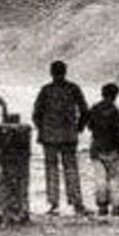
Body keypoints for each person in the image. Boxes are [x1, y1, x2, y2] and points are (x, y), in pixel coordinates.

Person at [31, 60, 90, 215]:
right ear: (65, 71)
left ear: (51, 73)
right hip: (69, 136)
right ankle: (77, 203)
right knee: (71, 169)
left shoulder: (46, 90)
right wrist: (78, 128)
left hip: (49, 137)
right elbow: (84, 111)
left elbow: (36, 113)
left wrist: (42, 129)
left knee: (51, 170)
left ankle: (53, 204)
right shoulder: (73, 88)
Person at [84, 83, 119, 216]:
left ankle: (102, 206)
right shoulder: (115, 111)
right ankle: (116, 206)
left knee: (100, 178)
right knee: (115, 178)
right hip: (113, 149)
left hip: (97, 148)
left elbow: (89, 126)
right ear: (115, 96)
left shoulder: (94, 108)